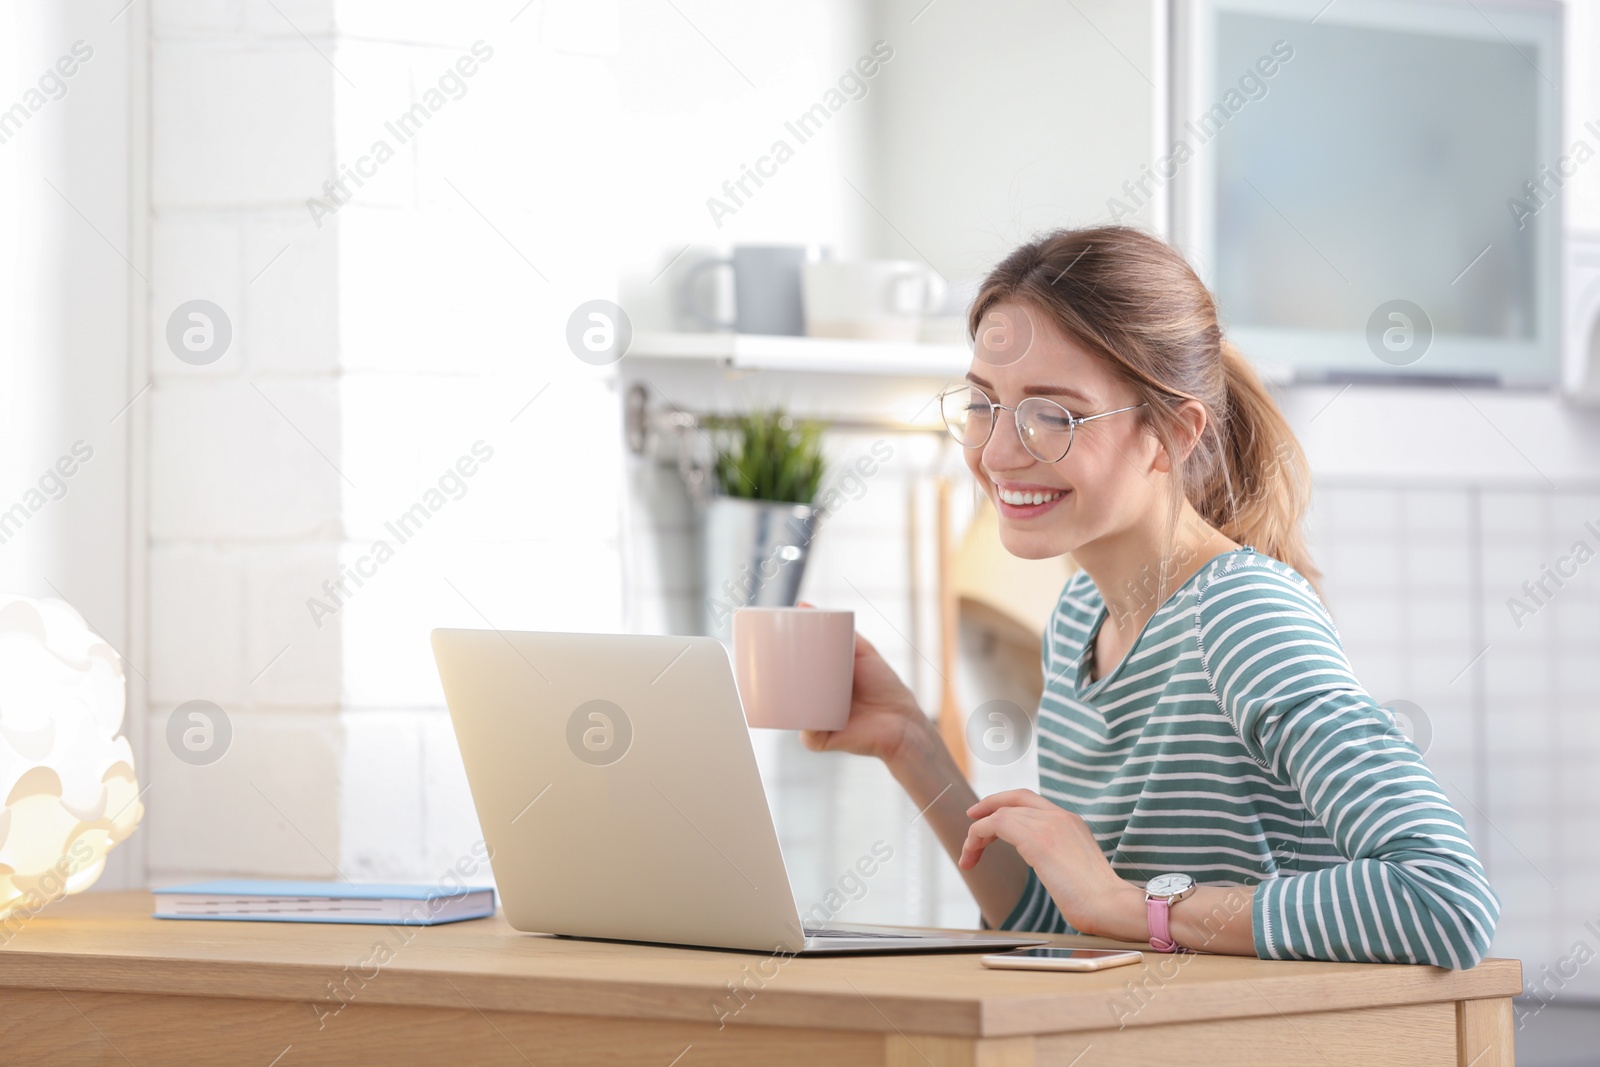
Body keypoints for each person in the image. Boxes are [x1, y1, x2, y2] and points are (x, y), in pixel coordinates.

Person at [801, 226, 1499, 967]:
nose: (999, 452)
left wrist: (1127, 905)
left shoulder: (1242, 614)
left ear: (1169, 433)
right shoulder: (1076, 623)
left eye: (1053, 414)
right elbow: (1076, 923)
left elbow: (1444, 899)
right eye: (984, 405)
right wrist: (909, 740)